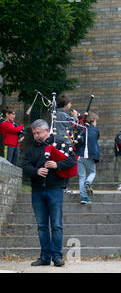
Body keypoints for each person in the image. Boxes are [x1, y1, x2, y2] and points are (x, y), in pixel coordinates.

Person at [22, 119, 77, 267]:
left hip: (55, 188)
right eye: (34, 133)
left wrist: (57, 165)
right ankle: (44, 257)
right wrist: (36, 171)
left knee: (57, 225)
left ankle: (57, 256)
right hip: (38, 190)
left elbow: (72, 160)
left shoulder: (60, 143)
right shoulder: (31, 149)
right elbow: (25, 166)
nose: (36, 136)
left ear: (47, 131)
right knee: (42, 225)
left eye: (38, 133)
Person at [75, 112, 100, 204]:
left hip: (80, 156)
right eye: (96, 121)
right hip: (89, 155)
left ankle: (84, 198)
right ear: (93, 120)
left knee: (81, 176)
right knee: (92, 172)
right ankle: (88, 182)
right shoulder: (95, 130)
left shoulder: (81, 129)